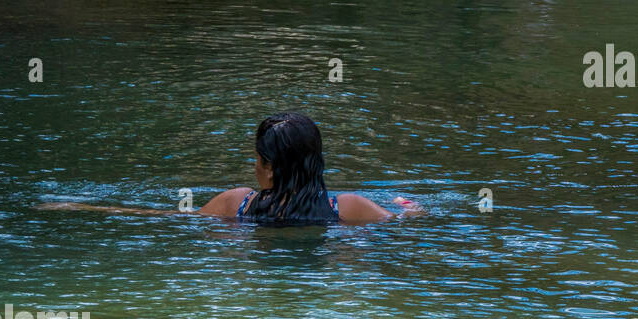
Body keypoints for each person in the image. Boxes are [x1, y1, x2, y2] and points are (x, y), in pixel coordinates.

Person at [40, 112, 422, 225]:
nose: (253, 166)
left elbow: (164, 218)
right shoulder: (349, 208)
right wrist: (414, 208)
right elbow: (404, 224)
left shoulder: (237, 203)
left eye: (257, 159)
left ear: (270, 169)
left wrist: (81, 206)